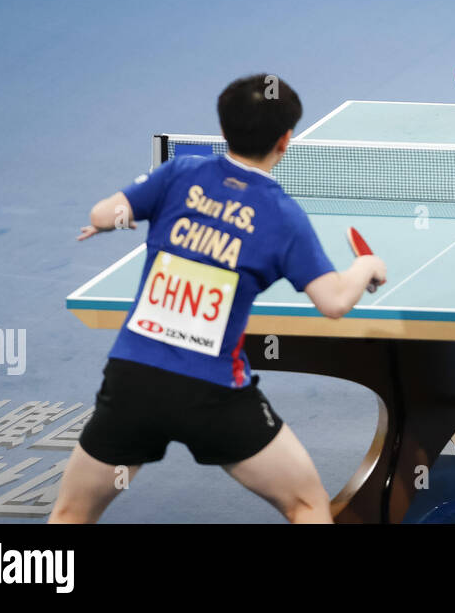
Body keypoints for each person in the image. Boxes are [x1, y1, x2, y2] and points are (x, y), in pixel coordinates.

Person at [48, 74, 387, 524]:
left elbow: (102, 213)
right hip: (214, 395)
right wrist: (366, 267)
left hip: (134, 382)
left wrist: (113, 219)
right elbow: (334, 302)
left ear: (223, 131)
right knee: (306, 504)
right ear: (286, 140)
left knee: (71, 513)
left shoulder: (181, 173)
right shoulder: (282, 215)